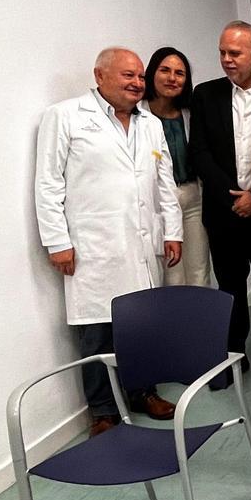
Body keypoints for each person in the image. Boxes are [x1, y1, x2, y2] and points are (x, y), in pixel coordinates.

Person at [35, 47, 183, 436]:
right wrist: (56, 241)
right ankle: (102, 411)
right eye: (127, 76)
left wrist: (172, 230)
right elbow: (48, 184)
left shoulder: (149, 123)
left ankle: (142, 392)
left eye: (139, 77)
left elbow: (163, 182)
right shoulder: (65, 117)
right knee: (98, 329)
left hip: (140, 241)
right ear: (99, 76)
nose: (137, 83)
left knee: (141, 324)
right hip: (92, 245)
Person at [188, 20, 251, 378]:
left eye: (235, 53)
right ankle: (233, 356)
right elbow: (198, 151)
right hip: (223, 210)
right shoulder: (205, 94)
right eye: (222, 53)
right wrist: (232, 194)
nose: (226, 59)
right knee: (229, 288)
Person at [141, 47, 211, 287]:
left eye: (179, 73)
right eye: (165, 70)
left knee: (199, 268)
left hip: (193, 198)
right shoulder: (139, 115)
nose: (172, 78)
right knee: (170, 270)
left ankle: (200, 322)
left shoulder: (191, 113)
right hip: (159, 202)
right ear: (152, 73)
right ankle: (175, 322)